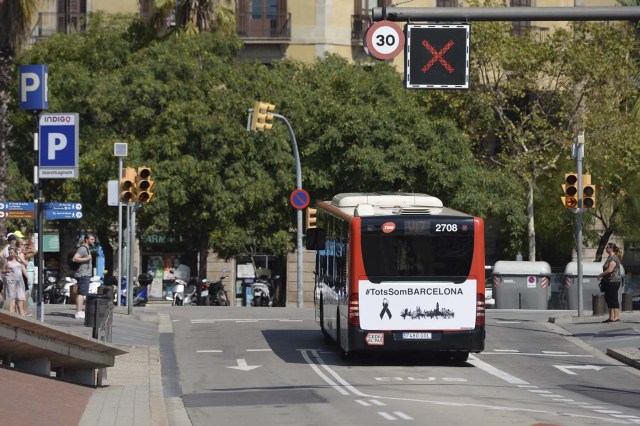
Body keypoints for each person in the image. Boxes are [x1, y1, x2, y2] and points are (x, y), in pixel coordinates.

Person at [72, 234, 96, 319]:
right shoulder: (83, 248)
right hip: (83, 274)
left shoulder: (87, 249)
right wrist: (86, 259)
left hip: (85, 274)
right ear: (86, 240)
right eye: (92, 239)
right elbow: (74, 258)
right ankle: (78, 312)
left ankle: (80, 311)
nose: (93, 241)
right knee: (81, 293)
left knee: (82, 292)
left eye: (94, 239)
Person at [598, 242, 623, 323]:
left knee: (613, 298)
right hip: (608, 281)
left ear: (611, 249)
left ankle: (616, 317)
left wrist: (600, 275)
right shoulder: (609, 257)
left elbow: (610, 270)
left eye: (607, 247)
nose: (606, 248)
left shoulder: (614, 258)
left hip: (614, 281)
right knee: (608, 298)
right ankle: (611, 317)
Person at [1, 247, 27, 315]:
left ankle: (22, 320)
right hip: (10, 281)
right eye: (9, 252)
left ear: (15, 253)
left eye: (11, 252)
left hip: (19, 281)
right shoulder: (6, 260)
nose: (10, 254)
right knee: (11, 300)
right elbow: (2, 270)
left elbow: (26, 264)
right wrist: (6, 270)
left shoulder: (18, 259)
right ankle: (12, 316)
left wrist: (19, 257)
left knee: (20, 300)